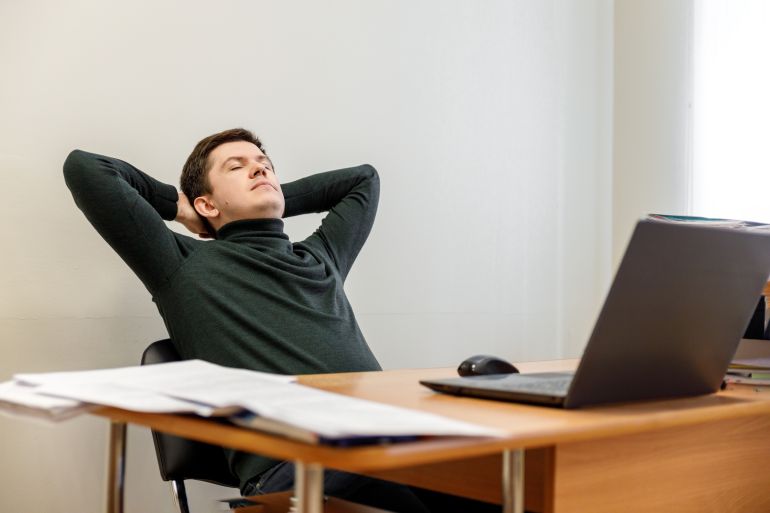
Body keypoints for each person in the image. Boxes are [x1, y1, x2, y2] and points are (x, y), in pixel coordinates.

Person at [64, 128, 499, 513]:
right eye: (237, 166)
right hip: (292, 470)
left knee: (508, 478)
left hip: (384, 444)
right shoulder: (181, 264)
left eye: (265, 164)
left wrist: (269, 195)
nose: (260, 169)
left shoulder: (321, 257)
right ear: (206, 202)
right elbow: (85, 168)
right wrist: (180, 208)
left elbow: (364, 179)